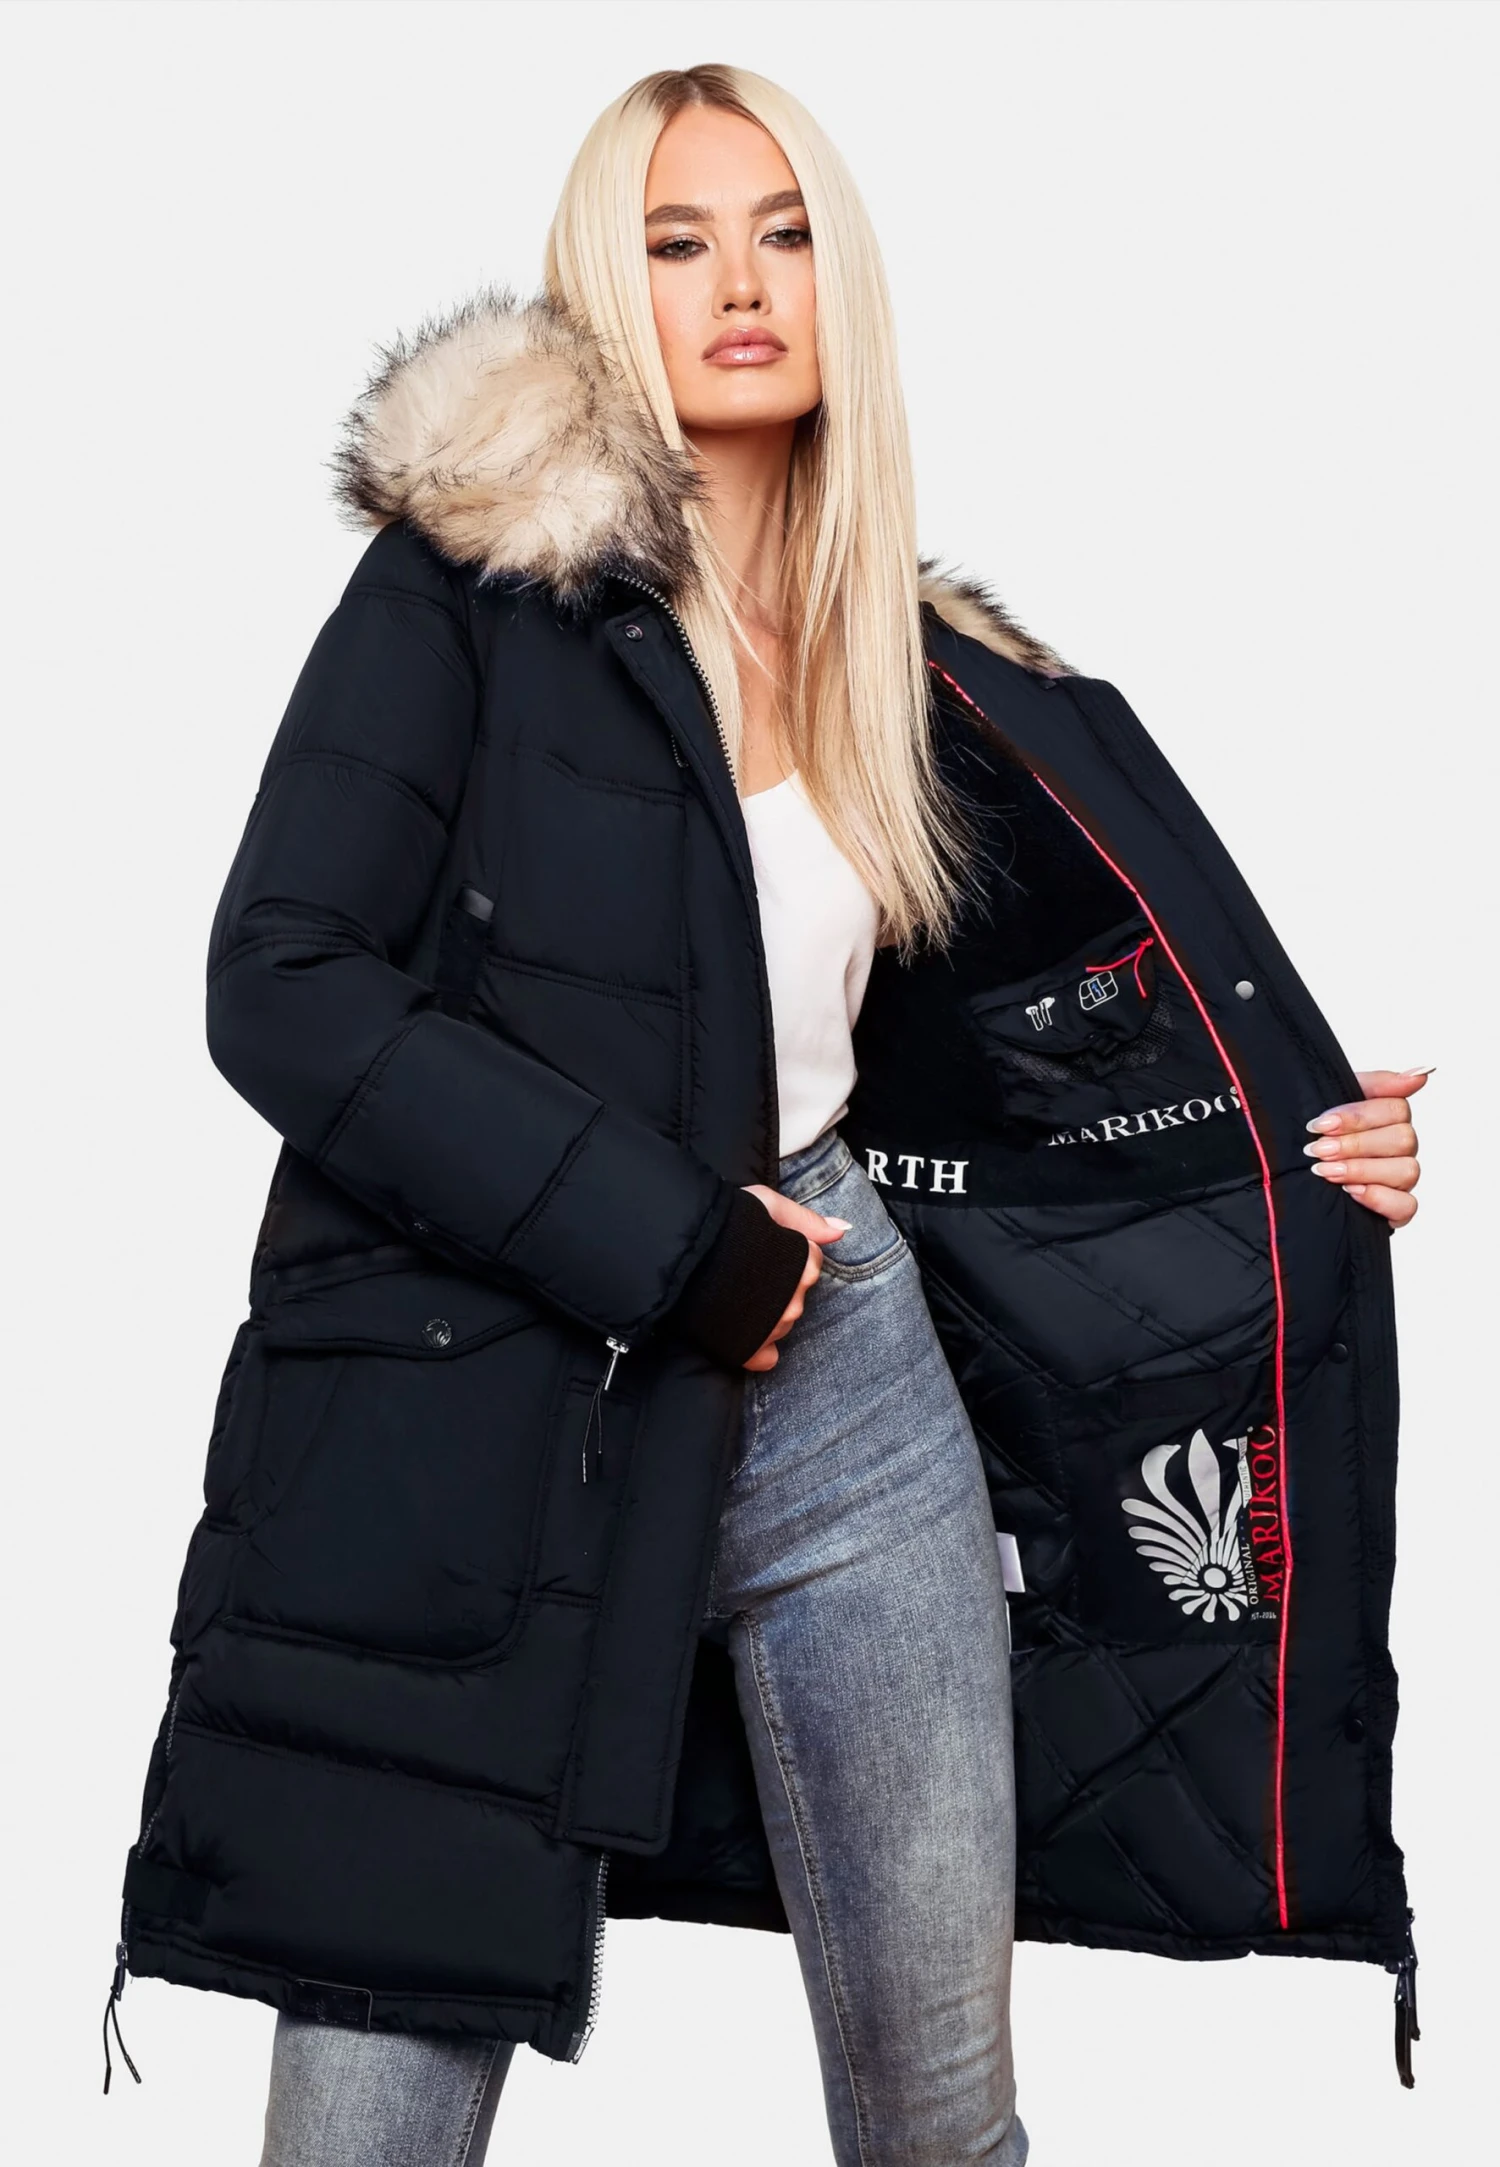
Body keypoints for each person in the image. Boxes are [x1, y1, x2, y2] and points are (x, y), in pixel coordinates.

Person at [109, 63, 1427, 2165]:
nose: (741, 283)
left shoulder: (919, 660)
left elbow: (1045, 1050)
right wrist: (669, 1246)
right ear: (607, 284)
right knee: (371, 2121)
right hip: (499, 1383)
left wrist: (1294, 1151)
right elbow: (282, 980)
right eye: (678, 240)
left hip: (848, 1371)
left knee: (943, 2126)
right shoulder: (471, 593)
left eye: (784, 231)